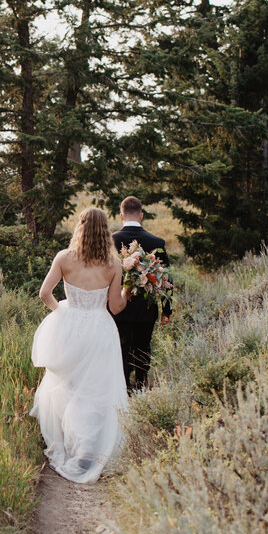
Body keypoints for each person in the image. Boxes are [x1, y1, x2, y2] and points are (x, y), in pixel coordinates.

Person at [30, 206, 130, 483]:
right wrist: (128, 290)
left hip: (70, 327)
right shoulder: (114, 264)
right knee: (96, 389)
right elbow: (116, 307)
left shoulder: (64, 258)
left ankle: (73, 441)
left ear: (80, 227)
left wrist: (61, 312)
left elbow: (44, 293)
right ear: (105, 231)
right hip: (100, 329)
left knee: (70, 386)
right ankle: (89, 447)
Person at [111, 196, 170, 391]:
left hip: (118, 308)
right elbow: (167, 280)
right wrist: (166, 311)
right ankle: (142, 389)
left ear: (121, 216)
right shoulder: (156, 242)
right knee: (143, 349)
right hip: (147, 308)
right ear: (141, 215)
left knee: (122, 350)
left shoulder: (112, 241)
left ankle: (124, 391)